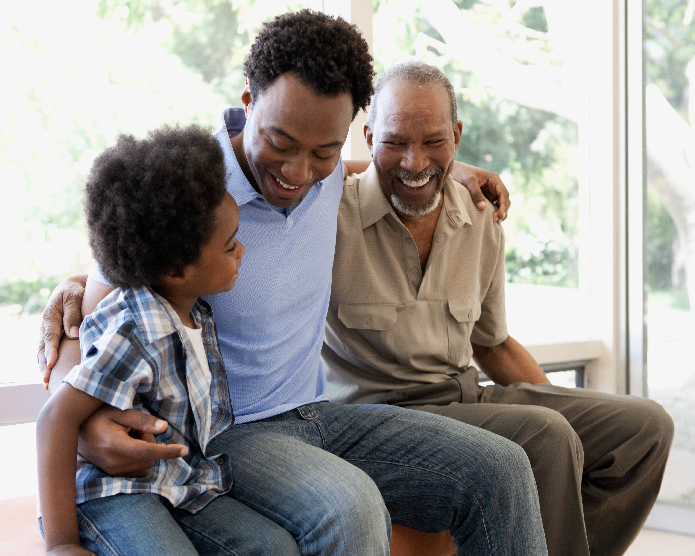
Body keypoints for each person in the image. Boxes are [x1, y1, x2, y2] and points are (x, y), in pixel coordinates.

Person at [37, 10, 548, 556]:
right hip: (232, 434)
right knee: (348, 507)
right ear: (248, 103)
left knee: (502, 468)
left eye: (323, 151)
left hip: (319, 412)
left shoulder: (329, 174)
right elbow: (92, 318)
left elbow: (378, 166)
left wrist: (458, 170)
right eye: (280, 142)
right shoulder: (191, 190)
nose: (299, 173)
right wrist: (86, 431)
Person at [322, 60, 675, 556]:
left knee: (645, 428)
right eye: (395, 141)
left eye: (434, 142)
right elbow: (280, 172)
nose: (415, 162)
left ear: (458, 136)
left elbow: (493, 344)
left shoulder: (480, 219)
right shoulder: (331, 213)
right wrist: (456, 168)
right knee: (547, 436)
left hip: (462, 401)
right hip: (373, 417)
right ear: (368, 135)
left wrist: (564, 419)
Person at [36, 124, 302, 556]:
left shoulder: (195, 308)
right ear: (177, 269)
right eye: (230, 245)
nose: (242, 253)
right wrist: (61, 543)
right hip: (109, 494)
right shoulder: (136, 328)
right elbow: (55, 420)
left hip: (173, 482)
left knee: (273, 547)